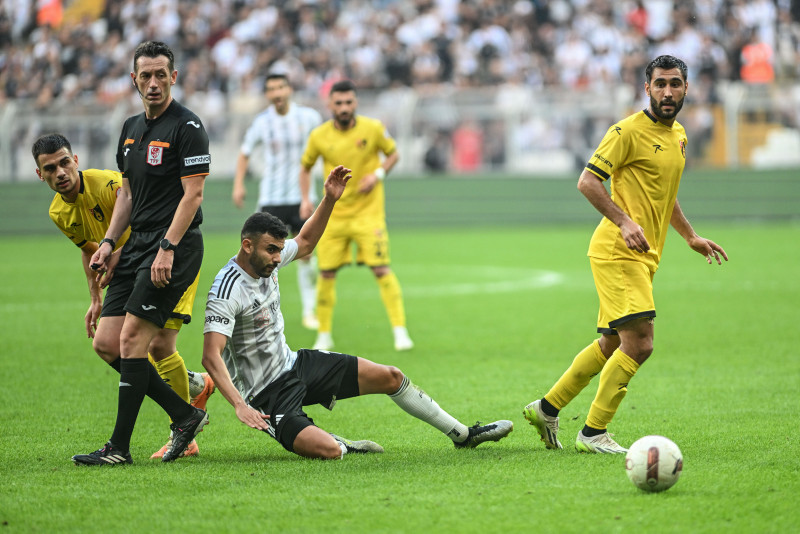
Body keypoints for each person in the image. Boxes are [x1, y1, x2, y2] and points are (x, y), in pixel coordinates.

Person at [202, 165, 513, 459]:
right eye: (271, 250)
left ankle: (463, 435)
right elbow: (211, 355)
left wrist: (329, 199)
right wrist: (240, 405)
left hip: (295, 364)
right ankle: (341, 444)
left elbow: (307, 242)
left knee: (391, 376)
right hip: (267, 394)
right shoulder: (227, 289)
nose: (277, 258)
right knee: (328, 452)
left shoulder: (270, 259)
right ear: (247, 246)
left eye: (280, 251)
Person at [522, 55, 728, 454]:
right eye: (660, 84)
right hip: (618, 252)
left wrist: (689, 236)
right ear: (646, 88)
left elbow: (664, 195)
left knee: (614, 343)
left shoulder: (679, 135)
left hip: (644, 256)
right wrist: (623, 221)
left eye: (675, 84)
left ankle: (547, 408)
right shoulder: (627, 131)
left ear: (686, 88)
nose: (668, 91)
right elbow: (587, 182)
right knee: (641, 343)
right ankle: (593, 432)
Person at [34, 133, 215, 460]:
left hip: (164, 256)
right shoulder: (59, 212)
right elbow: (91, 250)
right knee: (105, 343)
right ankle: (190, 392)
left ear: (76, 161)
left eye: (64, 163)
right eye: (50, 168)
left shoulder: (108, 184)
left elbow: (148, 205)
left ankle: (184, 434)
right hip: (127, 266)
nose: (60, 172)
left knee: (160, 345)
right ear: (40, 175)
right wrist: (95, 298)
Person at [71, 41, 211, 465]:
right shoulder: (131, 127)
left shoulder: (188, 127)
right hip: (135, 247)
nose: (153, 83)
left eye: (160, 74)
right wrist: (110, 243)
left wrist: (167, 247)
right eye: (145, 76)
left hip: (174, 245)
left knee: (134, 340)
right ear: (134, 80)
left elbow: (194, 194)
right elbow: (127, 195)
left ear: (174, 76)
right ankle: (184, 414)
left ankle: (118, 449)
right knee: (106, 343)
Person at [299, 79, 413, 352]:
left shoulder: (372, 128)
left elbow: (393, 154)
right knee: (326, 273)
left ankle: (400, 331)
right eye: (338, 103)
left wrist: (378, 175)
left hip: (368, 214)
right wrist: (306, 198)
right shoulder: (319, 136)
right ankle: (324, 335)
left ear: (356, 103)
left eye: (349, 102)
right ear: (330, 105)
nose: (344, 107)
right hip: (334, 216)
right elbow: (305, 167)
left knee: (381, 268)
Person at [232, 73, 323, 331]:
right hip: (271, 198)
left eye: (281, 87)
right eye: (271, 88)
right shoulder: (262, 122)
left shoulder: (309, 118)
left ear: (289, 89)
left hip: (302, 197)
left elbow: (325, 148)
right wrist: (238, 184)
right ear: (267, 94)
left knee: (307, 255)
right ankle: (261, 310)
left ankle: (309, 310)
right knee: (262, 256)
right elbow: (244, 152)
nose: (277, 92)